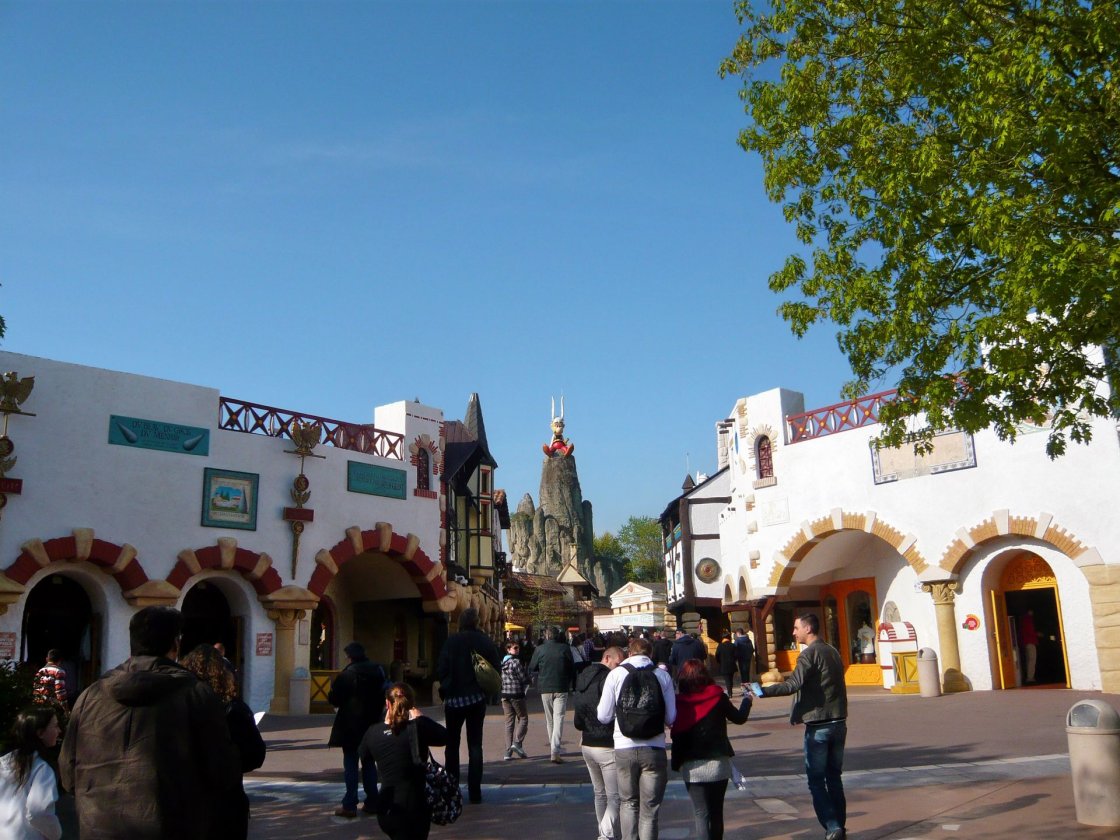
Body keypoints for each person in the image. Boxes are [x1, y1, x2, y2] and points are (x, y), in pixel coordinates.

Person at [59, 605, 239, 839]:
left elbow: (68, 772)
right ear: (175, 644)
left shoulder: (90, 696)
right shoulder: (195, 695)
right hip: (172, 826)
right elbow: (221, 770)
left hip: (100, 827)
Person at [760, 612, 848, 840]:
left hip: (819, 725)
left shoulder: (808, 654)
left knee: (816, 781)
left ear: (808, 629)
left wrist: (762, 691)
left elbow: (792, 684)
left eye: (796, 628)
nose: (793, 632)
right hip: (838, 721)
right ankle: (840, 826)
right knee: (834, 778)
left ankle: (833, 827)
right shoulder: (833, 651)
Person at [181, 644, 266, 840]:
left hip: (186, 799)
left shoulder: (177, 705)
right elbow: (254, 755)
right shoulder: (233, 708)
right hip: (225, 799)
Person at [597, 636, 676, 840]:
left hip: (624, 746)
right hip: (654, 747)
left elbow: (603, 716)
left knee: (628, 803)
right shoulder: (662, 676)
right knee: (650, 809)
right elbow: (671, 717)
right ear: (651, 653)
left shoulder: (615, 674)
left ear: (629, 653)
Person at [671, 659, 753, 840]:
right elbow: (739, 718)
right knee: (716, 812)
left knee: (700, 813)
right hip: (718, 763)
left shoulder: (679, 703)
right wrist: (747, 700)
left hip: (691, 765)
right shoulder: (718, 697)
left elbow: (676, 734)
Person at [358, 683, 448, 840]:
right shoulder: (418, 727)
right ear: (411, 704)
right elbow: (445, 736)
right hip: (415, 806)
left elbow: (364, 757)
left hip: (387, 805)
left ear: (387, 704)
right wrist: (420, 717)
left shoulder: (373, 732)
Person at [435, 607, 500, 803]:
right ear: (477, 622)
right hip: (476, 698)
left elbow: (441, 668)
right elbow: (495, 668)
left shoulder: (451, 641)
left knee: (452, 745)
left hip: (454, 699)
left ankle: (452, 789)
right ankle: (475, 792)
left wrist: (447, 685)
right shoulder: (484, 640)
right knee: (475, 745)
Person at [328, 641, 387, 818]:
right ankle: (373, 801)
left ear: (350, 657)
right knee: (368, 763)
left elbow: (334, 698)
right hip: (372, 723)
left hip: (350, 725)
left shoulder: (348, 674)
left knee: (351, 764)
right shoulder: (378, 670)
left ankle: (350, 804)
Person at [574, 645, 624, 840]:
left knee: (599, 793)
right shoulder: (608, 679)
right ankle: (605, 833)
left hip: (587, 742)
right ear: (607, 658)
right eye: (617, 664)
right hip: (606, 743)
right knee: (615, 796)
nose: (618, 668)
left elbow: (578, 710)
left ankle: (603, 831)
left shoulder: (583, 677)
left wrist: (583, 725)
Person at [1, 706, 62, 839]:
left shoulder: (3, 762)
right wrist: (55, 834)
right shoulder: (42, 768)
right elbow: (38, 811)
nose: (59, 730)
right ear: (40, 733)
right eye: (55, 726)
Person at [528, 625, 576, 763]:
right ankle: (555, 750)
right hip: (561, 686)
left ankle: (553, 748)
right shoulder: (564, 648)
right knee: (559, 718)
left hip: (545, 687)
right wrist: (572, 684)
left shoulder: (540, 649)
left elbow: (532, 667)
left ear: (547, 636)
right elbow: (572, 668)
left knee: (550, 720)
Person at [500, 640, 530, 760]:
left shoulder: (502, 662)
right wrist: (529, 679)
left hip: (504, 695)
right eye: (515, 648)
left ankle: (508, 752)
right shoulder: (516, 662)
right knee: (523, 718)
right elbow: (523, 678)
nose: (517, 650)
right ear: (508, 649)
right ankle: (517, 743)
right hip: (516, 694)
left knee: (509, 723)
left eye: (518, 647)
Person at [1020, 609, 1039, 683]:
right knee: (1032, 660)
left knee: (1028, 660)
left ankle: (1028, 676)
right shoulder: (1028, 620)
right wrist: (1037, 634)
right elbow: (1031, 631)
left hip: (1025, 643)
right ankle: (1030, 677)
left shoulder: (1023, 620)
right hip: (1030, 642)